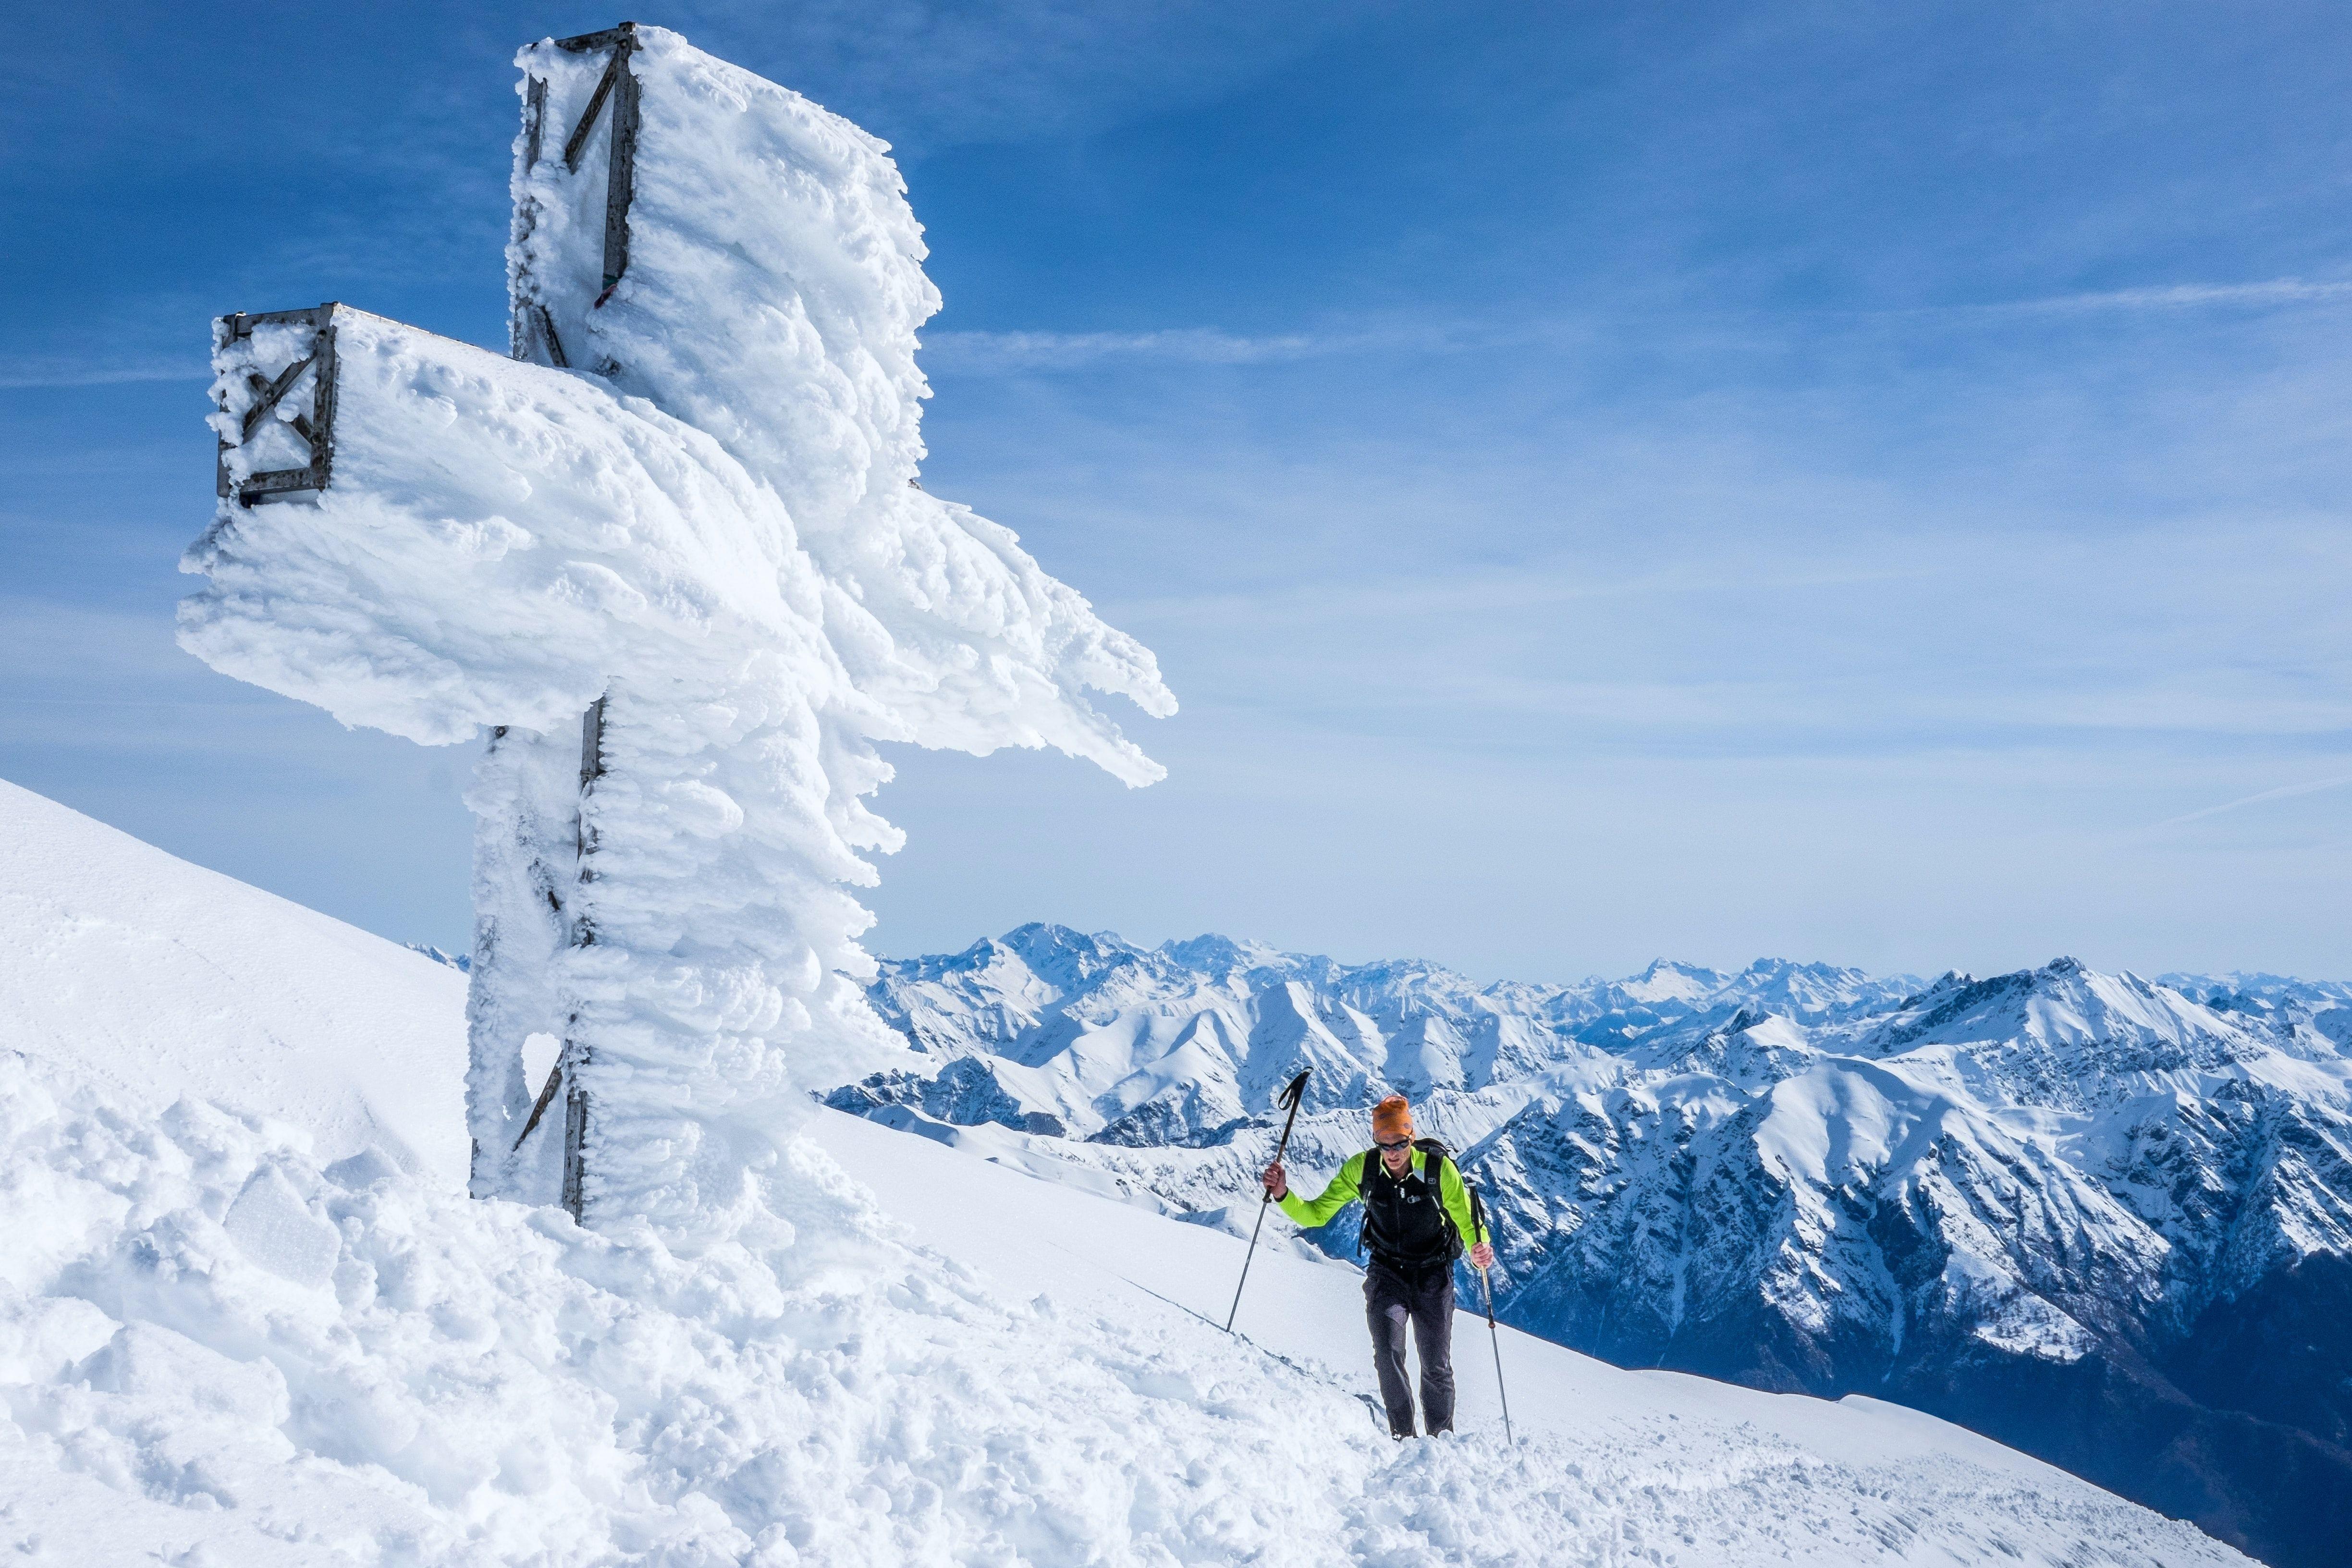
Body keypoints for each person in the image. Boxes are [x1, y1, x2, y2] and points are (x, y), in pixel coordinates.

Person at [1262, 1093, 1494, 1438]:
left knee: (1436, 1366)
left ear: (1411, 1137)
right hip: (1387, 1272)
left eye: (1400, 1143)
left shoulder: (1436, 1169)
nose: (1393, 1152)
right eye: (1384, 1144)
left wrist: (1481, 1249)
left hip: (1434, 1273)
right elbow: (1315, 1213)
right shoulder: (1363, 1170)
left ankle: (1441, 1441)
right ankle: (1402, 1434)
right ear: (1376, 1141)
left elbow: (1467, 1220)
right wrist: (1282, 1194)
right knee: (1388, 1351)